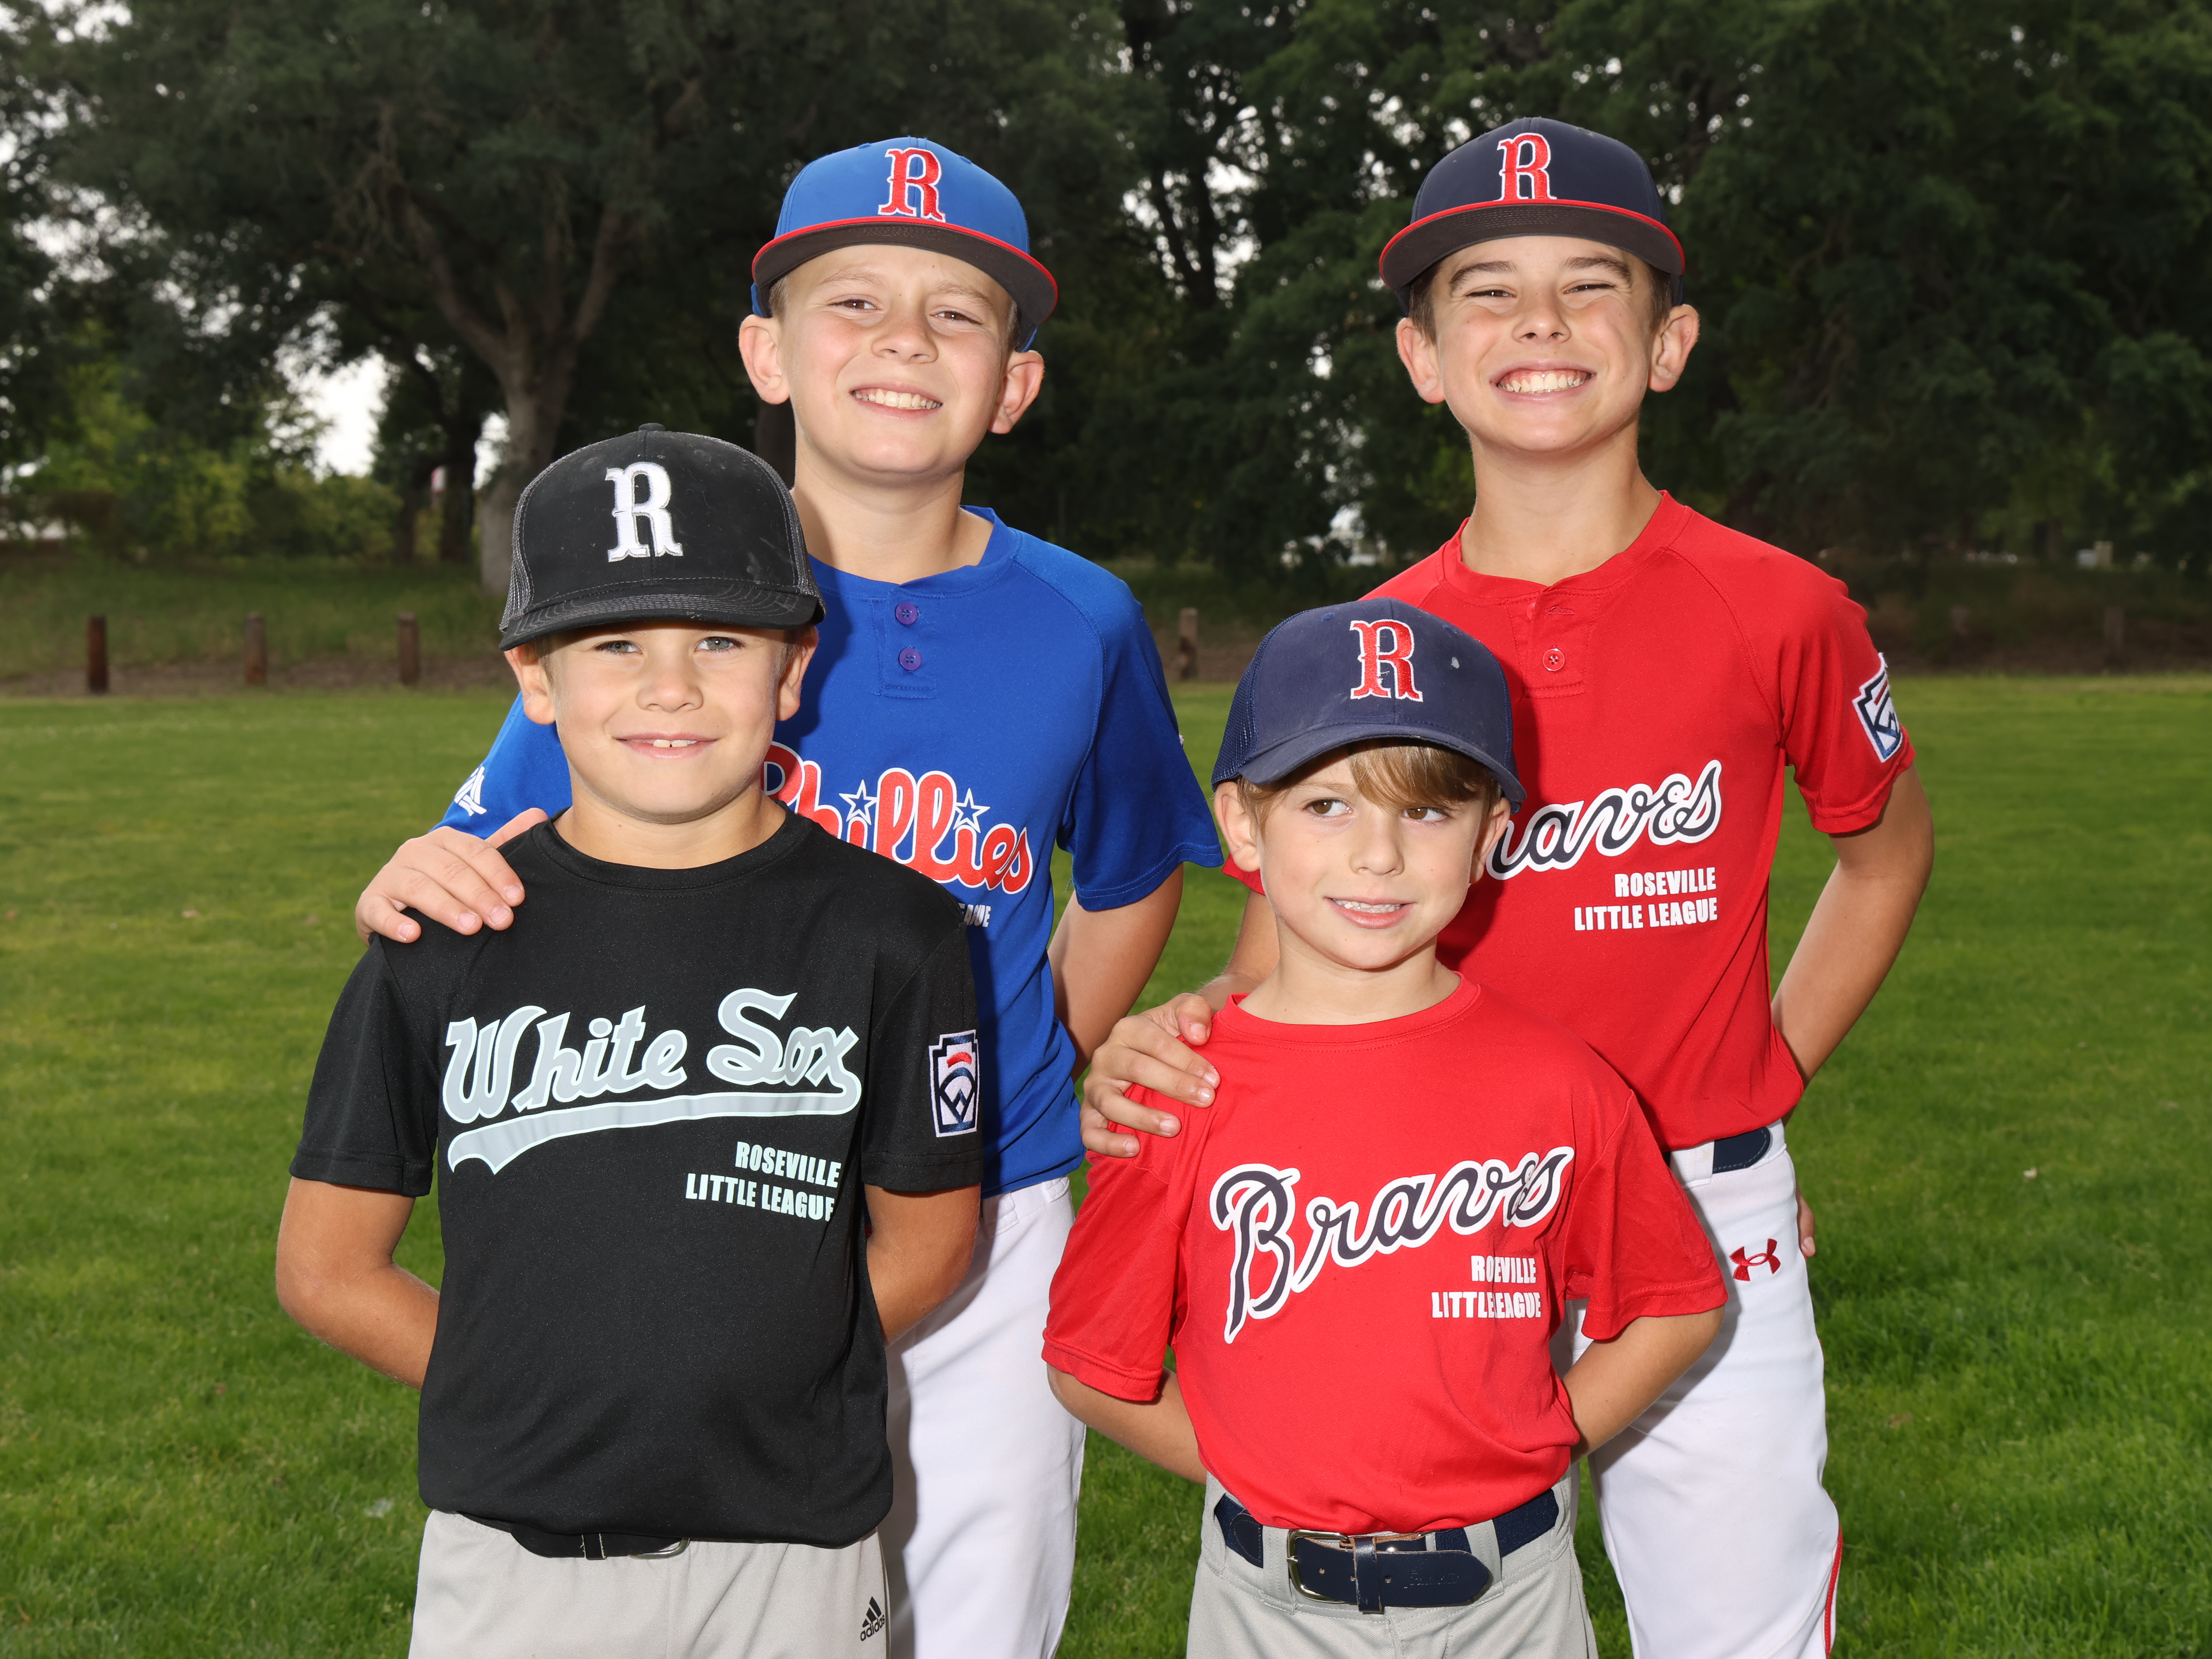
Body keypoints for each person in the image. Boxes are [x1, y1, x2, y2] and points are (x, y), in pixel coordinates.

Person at [346, 138, 1221, 1659]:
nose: (905, 340)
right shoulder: (663, 607)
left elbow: (1135, 872)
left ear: (1015, 383)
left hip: (983, 1208)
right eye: (854, 301)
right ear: (768, 353)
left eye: (960, 314)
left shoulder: (1082, 618)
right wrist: (422, 866)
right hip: (711, 1183)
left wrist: (1028, 1057)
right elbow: (493, 859)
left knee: (978, 1607)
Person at [1081, 118, 1937, 1659]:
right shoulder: (1371, 647)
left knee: (1735, 1624)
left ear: (1668, 342)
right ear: (1422, 356)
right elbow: (1284, 950)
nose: (1541, 321)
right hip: (1414, 1202)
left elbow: (1884, 856)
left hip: (1693, 1191)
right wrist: (1174, 1037)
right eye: (1487, 290)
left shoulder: (1783, 608)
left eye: (1590, 283)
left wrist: (1759, 1084)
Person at [278, 427, 984, 1658]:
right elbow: (326, 1268)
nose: (671, 687)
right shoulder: (445, 933)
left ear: (794, 668)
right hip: (518, 1556)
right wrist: (547, 1386)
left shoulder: (893, 931)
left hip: (791, 1548)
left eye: (720, 640)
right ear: (535, 677)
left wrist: (756, 1370)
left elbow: (929, 1243)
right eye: (616, 644)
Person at [1044, 598, 1726, 1656]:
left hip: (1515, 1601)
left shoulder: (1559, 1083)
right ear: (1243, 824)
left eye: (1428, 812)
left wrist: (1541, 1443)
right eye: (1326, 805)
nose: (1378, 856)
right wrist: (1264, 1474)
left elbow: (1677, 1305)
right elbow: (1091, 1367)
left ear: (1492, 836)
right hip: (1269, 1608)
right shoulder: (1180, 1085)